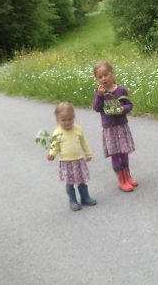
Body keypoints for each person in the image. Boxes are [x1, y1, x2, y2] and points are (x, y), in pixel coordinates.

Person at [93, 61, 138, 192]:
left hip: (121, 125)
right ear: (97, 79)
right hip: (109, 128)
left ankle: (127, 176)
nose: (103, 79)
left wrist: (122, 109)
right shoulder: (99, 92)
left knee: (124, 152)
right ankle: (121, 180)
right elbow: (96, 108)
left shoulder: (121, 90)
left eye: (105, 75)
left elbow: (129, 105)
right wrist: (100, 97)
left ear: (112, 74)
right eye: (100, 77)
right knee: (115, 154)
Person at [47, 102, 97, 211]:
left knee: (82, 180)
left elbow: (84, 142)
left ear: (74, 118)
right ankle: (73, 200)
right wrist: (52, 154)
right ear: (57, 120)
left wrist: (88, 153)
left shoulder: (77, 129)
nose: (67, 122)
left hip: (79, 160)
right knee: (70, 183)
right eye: (63, 120)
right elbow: (54, 146)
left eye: (70, 119)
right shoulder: (57, 133)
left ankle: (85, 197)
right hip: (66, 163)